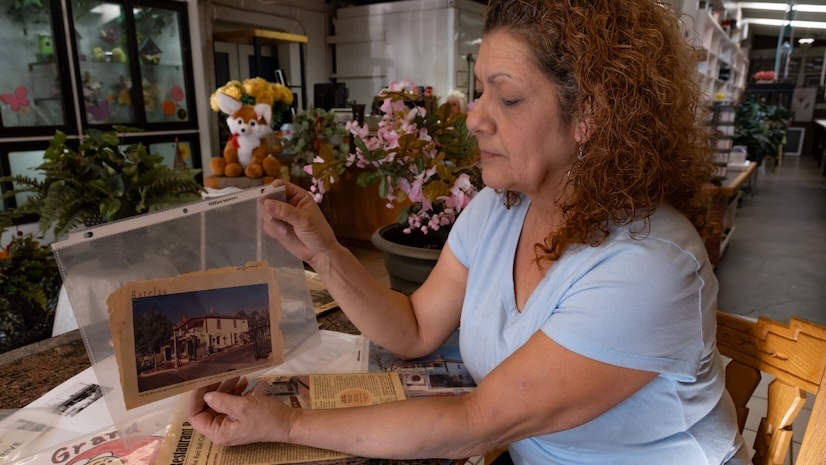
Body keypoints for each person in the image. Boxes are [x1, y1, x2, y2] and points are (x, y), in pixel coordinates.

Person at [188, 0, 750, 463]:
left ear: (590, 116)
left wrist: (287, 425)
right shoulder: (499, 209)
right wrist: (324, 249)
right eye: (479, 90)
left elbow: (474, 424)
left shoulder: (648, 266)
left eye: (506, 97)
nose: (475, 117)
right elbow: (411, 330)